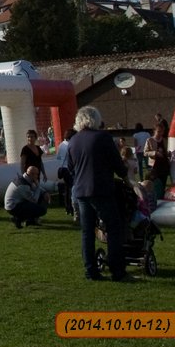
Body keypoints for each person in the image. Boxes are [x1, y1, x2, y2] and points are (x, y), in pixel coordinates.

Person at [68, 105, 129, 281]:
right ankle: (117, 270)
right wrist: (127, 180)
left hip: (81, 191)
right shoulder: (103, 137)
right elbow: (117, 164)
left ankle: (90, 271)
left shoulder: (73, 141)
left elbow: (71, 168)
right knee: (113, 228)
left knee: (87, 232)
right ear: (96, 119)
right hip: (101, 190)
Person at [56, 128, 76, 219]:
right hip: (69, 169)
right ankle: (72, 208)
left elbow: (58, 157)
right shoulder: (71, 145)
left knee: (67, 189)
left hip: (62, 169)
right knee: (72, 189)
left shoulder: (61, 145)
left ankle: (67, 208)